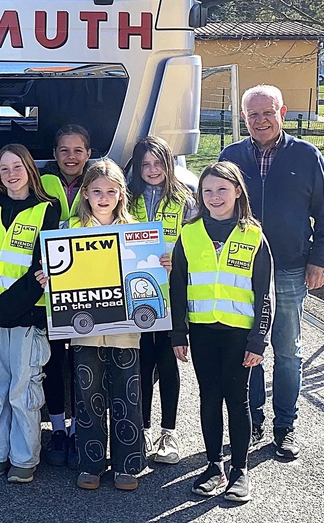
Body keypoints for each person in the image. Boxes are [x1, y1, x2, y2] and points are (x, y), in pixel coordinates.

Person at [220, 84, 324, 459]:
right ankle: (252, 420)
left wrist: (318, 260)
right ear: (243, 118)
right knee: (248, 349)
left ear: (282, 112)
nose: (261, 120)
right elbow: (217, 207)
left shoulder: (306, 155)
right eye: (252, 115)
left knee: (287, 351)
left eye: (267, 112)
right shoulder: (232, 155)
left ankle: (284, 426)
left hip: (289, 269)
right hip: (242, 269)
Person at [61, 159, 169, 492]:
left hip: (125, 330)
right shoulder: (69, 230)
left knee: (127, 394)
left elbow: (152, 275)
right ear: (86, 194)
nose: (104, 197)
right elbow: (60, 274)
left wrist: (163, 263)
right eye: (97, 191)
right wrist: (48, 276)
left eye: (111, 191)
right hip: (86, 329)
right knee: (88, 395)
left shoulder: (136, 231)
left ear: (121, 194)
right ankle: (91, 462)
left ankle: (128, 464)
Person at [170, 161, 274, 502]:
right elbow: (177, 289)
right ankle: (214, 465)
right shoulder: (189, 233)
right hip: (202, 332)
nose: (214, 197)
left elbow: (264, 294)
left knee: (237, 399)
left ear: (238, 191)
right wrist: (178, 333)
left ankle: (239, 470)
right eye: (208, 190)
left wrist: (259, 339)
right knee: (208, 396)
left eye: (222, 189)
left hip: (239, 336)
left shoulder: (253, 235)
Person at [0, 144, 60, 484]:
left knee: (23, 391)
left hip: (26, 317)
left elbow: (40, 271)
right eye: (4, 169)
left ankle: (24, 458)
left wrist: (0, 310)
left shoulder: (47, 210)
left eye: (17, 166)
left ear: (30, 169)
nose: (11, 174)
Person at [127, 135, 196, 465]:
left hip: (172, 297)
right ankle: (140, 431)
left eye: (158, 163)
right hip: (137, 295)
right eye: (145, 165)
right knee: (141, 364)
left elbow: (196, 245)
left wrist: (178, 262)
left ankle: (168, 434)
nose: (152, 170)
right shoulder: (127, 200)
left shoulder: (186, 200)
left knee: (168, 363)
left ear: (169, 165)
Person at [38, 124, 91, 468]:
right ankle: (57, 428)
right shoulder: (41, 181)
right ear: (54, 154)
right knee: (54, 362)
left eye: (78, 151)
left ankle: (80, 429)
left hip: (88, 287)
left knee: (84, 362)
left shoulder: (100, 180)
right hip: (49, 288)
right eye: (64, 151)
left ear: (89, 153)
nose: (70, 157)